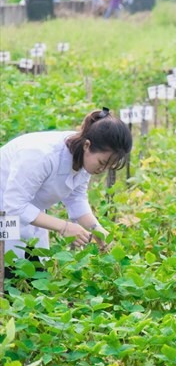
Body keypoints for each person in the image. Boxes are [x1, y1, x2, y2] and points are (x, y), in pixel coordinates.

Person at [1, 109, 132, 276]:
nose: (103, 169)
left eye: (108, 166)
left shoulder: (83, 158)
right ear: (87, 146)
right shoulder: (41, 154)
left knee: (35, 277)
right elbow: (14, 206)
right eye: (102, 162)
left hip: (29, 214)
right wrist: (64, 227)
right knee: (8, 277)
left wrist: (98, 231)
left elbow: (76, 199)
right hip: (4, 213)